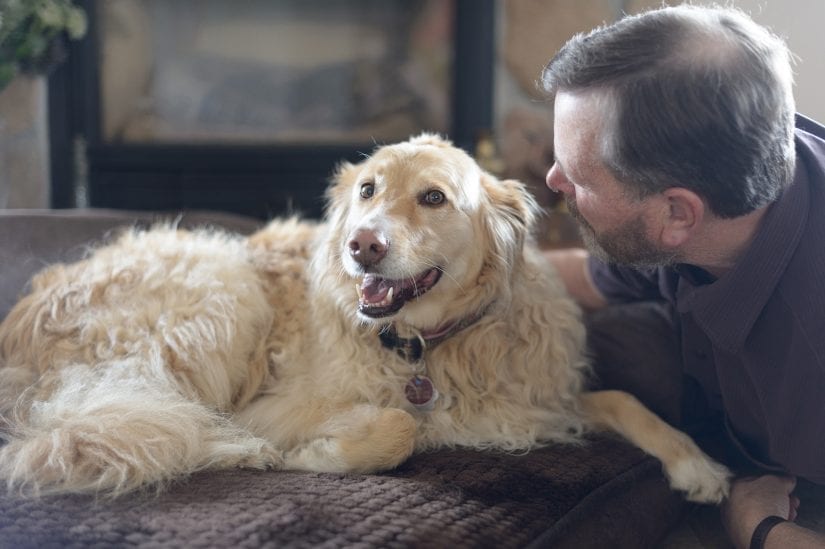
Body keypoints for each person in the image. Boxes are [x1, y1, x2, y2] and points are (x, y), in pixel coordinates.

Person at [540, 4, 825, 549]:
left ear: (677, 215)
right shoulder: (725, 176)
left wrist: (759, 530)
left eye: (578, 176)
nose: (552, 178)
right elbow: (585, 278)